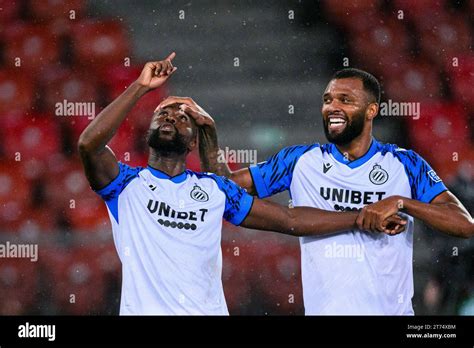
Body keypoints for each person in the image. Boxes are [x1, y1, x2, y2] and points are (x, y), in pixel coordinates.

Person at [77, 55, 405, 315]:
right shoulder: (126, 184)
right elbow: (88, 145)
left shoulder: (215, 190)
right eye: (162, 115)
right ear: (147, 132)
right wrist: (140, 87)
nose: (170, 119)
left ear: (193, 141)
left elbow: (289, 220)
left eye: (181, 119)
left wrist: (363, 215)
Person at [162, 68, 474, 315]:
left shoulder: (404, 164)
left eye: (345, 100)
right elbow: (225, 188)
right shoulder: (299, 160)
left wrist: (402, 202)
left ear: (371, 110)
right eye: (327, 100)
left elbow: (463, 224)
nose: (332, 107)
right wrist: (209, 134)